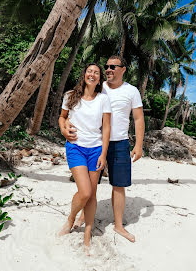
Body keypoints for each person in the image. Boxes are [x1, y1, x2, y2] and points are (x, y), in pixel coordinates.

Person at [63, 55, 144, 243]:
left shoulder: (131, 91)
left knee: (119, 185)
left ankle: (118, 225)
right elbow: (77, 107)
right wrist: (65, 125)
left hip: (120, 143)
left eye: (113, 66)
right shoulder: (98, 86)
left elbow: (139, 119)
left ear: (123, 69)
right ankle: (83, 217)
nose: (108, 69)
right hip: (95, 143)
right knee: (91, 187)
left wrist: (139, 145)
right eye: (106, 66)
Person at [58, 63, 112, 252]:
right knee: (85, 192)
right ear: (85, 74)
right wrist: (64, 130)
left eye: (96, 73)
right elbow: (62, 117)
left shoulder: (103, 100)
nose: (92, 74)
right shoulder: (70, 96)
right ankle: (71, 218)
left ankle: (87, 233)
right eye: (90, 71)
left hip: (96, 149)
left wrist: (104, 154)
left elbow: (106, 128)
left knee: (93, 194)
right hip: (75, 147)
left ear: (99, 79)